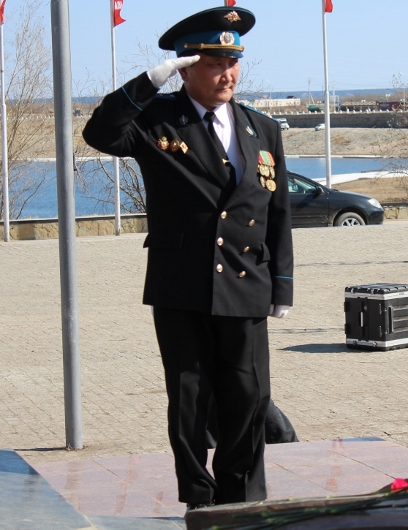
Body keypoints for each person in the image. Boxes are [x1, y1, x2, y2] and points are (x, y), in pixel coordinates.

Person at [83, 7, 295, 509]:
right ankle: (199, 500)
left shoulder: (262, 129)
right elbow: (99, 133)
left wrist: (281, 285)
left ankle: (242, 499)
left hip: (246, 282)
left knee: (248, 397)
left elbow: (278, 212)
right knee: (190, 401)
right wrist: (148, 82)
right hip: (182, 284)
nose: (228, 74)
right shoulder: (156, 121)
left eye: (233, 62)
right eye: (214, 63)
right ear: (187, 67)